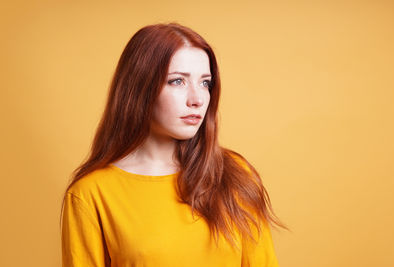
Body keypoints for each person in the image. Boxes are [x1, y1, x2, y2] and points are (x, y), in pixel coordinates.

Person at [60, 22, 287, 267]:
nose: (197, 99)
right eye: (177, 81)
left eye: (205, 83)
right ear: (139, 88)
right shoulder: (91, 194)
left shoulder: (233, 174)